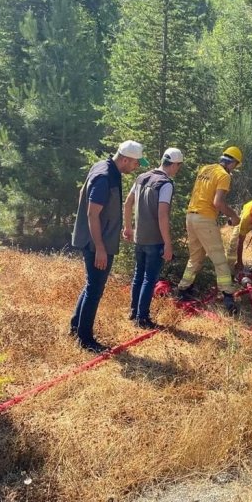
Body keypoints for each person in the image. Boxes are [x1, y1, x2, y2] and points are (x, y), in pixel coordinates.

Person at [69, 140, 148, 353]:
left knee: (91, 285)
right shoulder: (105, 176)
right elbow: (92, 213)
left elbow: (83, 195)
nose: (137, 167)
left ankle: (76, 327)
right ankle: (85, 340)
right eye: (136, 163)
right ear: (125, 159)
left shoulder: (104, 167)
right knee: (95, 289)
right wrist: (100, 247)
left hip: (97, 239)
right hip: (96, 243)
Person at [176, 147, 243, 313]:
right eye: (235, 165)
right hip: (205, 219)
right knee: (219, 259)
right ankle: (228, 297)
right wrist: (234, 216)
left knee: (195, 257)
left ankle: (183, 289)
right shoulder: (224, 175)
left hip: (190, 217)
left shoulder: (205, 169)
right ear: (233, 163)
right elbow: (218, 203)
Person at [123, 147, 184, 329]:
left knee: (138, 276)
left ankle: (134, 312)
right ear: (173, 165)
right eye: (178, 166)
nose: (178, 169)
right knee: (149, 279)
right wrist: (168, 244)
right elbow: (162, 214)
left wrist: (128, 228)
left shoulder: (141, 177)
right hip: (155, 239)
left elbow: (127, 203)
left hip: (139, 238)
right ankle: (142, 318)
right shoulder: (166, 184)